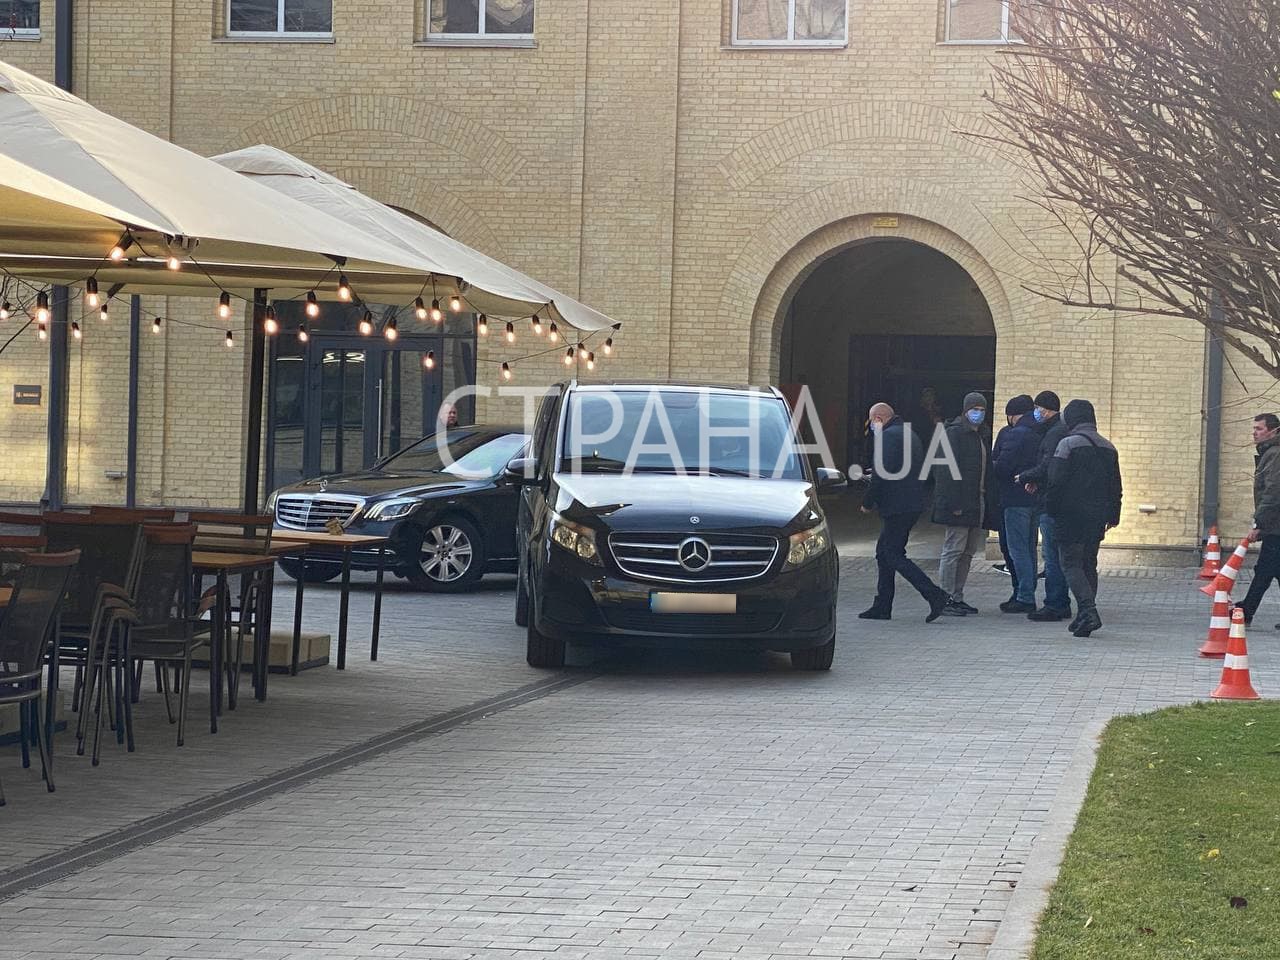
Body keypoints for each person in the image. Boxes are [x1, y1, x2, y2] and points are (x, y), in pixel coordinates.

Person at [859, 402, 951, 623]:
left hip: (897, 505)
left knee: (892, 554)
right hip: (910, 503)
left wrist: (867, 502)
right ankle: (882, 605)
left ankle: (934, 595)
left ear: (879, 418)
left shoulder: (888, 436)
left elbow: (882, 473)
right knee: (884, 553)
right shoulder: (909, 433)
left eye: (872, 421)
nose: (871, 426)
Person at [1046, 399, 1123, 637]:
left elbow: (1055, 481)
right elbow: (1116, 487)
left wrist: (1051, 509)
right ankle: (1084, 615)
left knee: (1070, 563)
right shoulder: (1108, 447)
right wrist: (1114, 515)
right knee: (1089, 563)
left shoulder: (1067, 444)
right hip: (1097, 517)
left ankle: (1088, 612)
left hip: (1070, 515)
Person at [930, 392, 996, 616]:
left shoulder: (981, 436)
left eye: (982, 410)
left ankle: (957, 596)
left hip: (977, 501)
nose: (978, 413)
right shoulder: (954, 434)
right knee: (953, 550)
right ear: (966, 410)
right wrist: (952, 503)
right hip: (960, 503)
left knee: (968, 552)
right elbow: (945, 471)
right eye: (974, 409)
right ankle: (945, 597)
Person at [1016, 390, 1073, 622]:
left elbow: (1049, 465)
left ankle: (1055, 603)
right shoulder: (1059, 430)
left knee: (1052, 556)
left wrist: (1026, 476)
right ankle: (1061, 602)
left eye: (1038, 409)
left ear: (1046, 410)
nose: (1035, 413)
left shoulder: (1054, 433)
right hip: (1057, 501)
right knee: (1057, 555)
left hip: (1051, 504)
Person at [992, 395, 1042, 613]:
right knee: (1030, 548)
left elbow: (1002, 466)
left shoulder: (1015, 433)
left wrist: (993, 464)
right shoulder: (1042, 432)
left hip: (1014, 498)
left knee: (1017, 549)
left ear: (1012, 415)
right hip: (1035, 499)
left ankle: (1024, 596)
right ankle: (1026, 591)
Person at [1233, 413, 1280, 625]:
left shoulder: (1275, 454)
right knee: (1268, 569)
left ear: (1273, 430)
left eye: (1259, 428)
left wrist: (1259, 523)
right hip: (1274, 524)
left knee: (1265, 569)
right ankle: (1247, 609)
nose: (1254, 433)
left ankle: (1246, 610)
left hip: (1275, 524)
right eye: (1254, 428)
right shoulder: (1270, 452)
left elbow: (1273, 492)